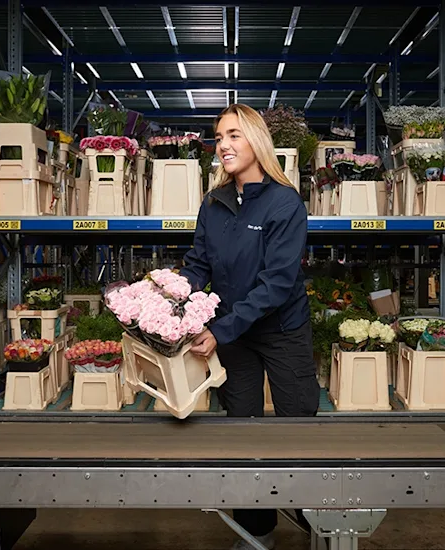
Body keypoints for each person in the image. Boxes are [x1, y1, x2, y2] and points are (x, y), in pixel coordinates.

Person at [178, 104, 320, 550]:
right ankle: (257, 530)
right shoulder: (214, 202)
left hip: (281, 331)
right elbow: (198, 264)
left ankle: (313, 514)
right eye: (219, 137)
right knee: (241, 430)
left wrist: (220, 329)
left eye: (234, 135)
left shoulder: (284, 202)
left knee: (298, 422)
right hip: (234, 336)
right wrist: (167, 302)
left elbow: (277, 282)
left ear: (257, 142)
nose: (223, 145)